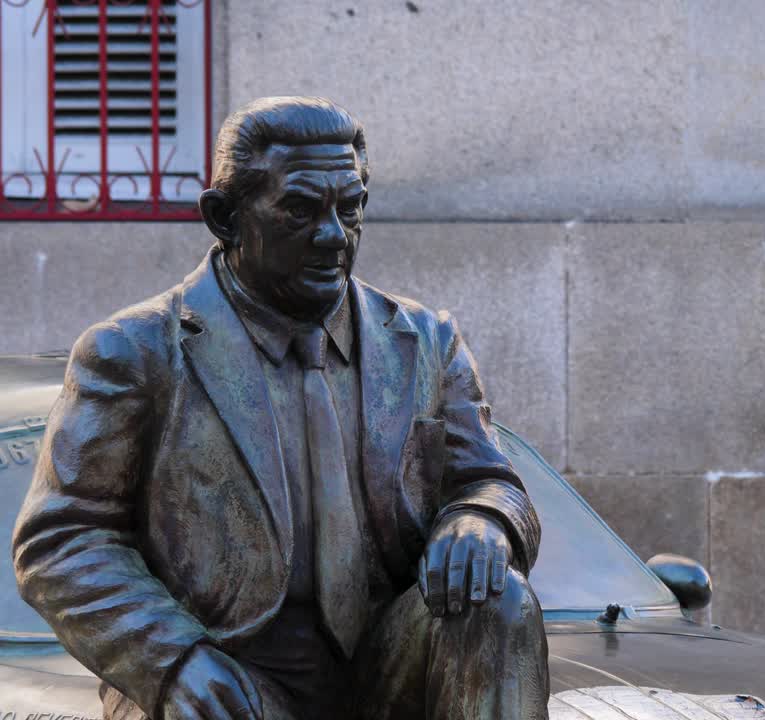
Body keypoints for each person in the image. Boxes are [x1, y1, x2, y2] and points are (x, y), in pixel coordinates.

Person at [12, 96, 549, 720]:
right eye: (300, 210)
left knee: (498, 603)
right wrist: (173, 659)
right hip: (226, 673)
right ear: (225, 217)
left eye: (350, 210)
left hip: (389, 670)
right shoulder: (135, 352)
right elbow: (63, 538)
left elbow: (489, 481)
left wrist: (482, 519)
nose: (333, 236)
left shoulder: (426, 342)